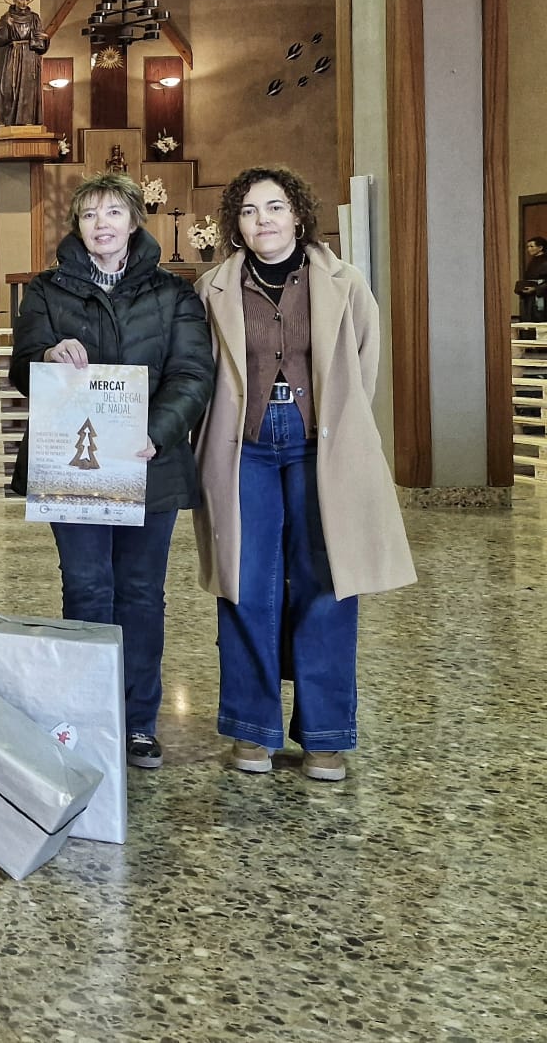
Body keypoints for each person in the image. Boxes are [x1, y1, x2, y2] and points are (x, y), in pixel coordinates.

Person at [192, 167, 415, 781]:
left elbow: (364, 362)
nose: (262, 220)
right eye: (248, 211)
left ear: (297, 215)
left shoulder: (345, 281)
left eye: (275, 207)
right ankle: (252, 731)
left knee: (327, 582)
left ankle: (324, 735)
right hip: (244, 447)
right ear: (235, 224)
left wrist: (338, 427)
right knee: (245, 583)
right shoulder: (212, 287)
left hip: (322, 445)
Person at [10, 171, 212, 772]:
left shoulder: (174, 294)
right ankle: (89, 717)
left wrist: (155, 432)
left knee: (143, 594)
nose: (103, 225)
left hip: (150, 464)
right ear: (78, 225)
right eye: (91, 214)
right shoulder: (46, 291)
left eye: (114, 213)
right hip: (76, 465)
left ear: (133, 222)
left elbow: (193, 374)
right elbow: (24, 367)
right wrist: (48, 357)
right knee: (89, 588)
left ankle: (139, 722)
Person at [0, 0, 50, 129]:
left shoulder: (34, 18)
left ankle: (27, 120)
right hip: (12, 56)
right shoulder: (7, 18)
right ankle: (5, 121)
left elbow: (40, 41)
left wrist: (45, 38)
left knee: (28, 89)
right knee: (8, 86)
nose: (24, 2)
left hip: (29, 56)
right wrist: (8, 28)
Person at [518, 235, 547, 322]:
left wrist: (536, 289)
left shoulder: (545, 261)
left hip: (541, 296)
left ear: (540, 247)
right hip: (530, 297)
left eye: (531, 246)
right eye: (528, 247)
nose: (529, 249)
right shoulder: (533, 261)